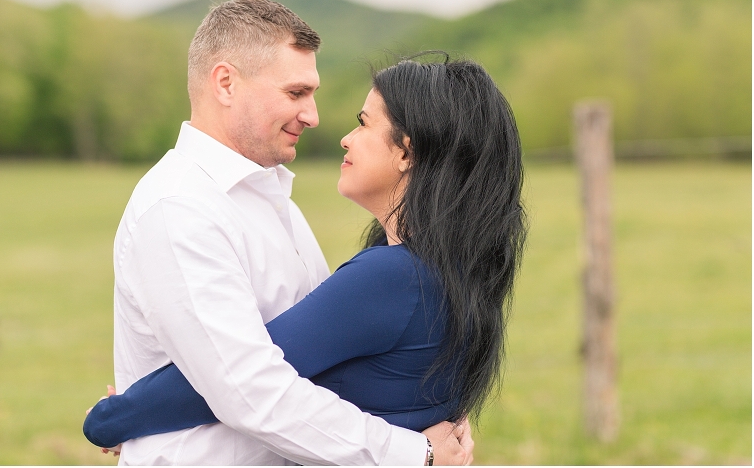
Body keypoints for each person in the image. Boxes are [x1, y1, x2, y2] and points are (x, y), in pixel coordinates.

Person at [85, 52, 527, 461]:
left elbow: (234, 382)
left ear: (407, 152)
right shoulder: (447, 271)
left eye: (364, 123)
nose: (345, 137)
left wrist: (119, 414)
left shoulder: (392, 277)